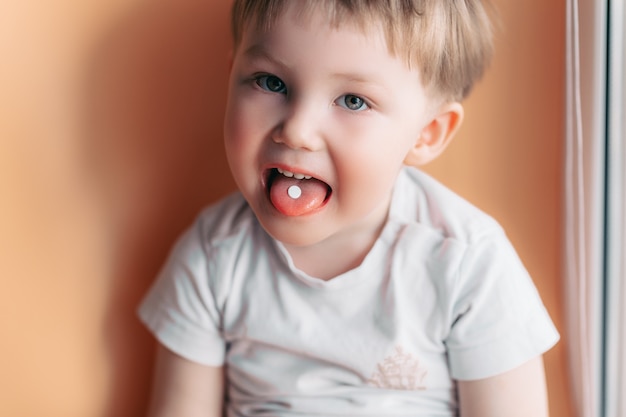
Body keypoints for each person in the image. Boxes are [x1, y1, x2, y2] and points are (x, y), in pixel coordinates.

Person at [139, 1, 560, 416]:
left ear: (426, 134)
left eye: (354, 101)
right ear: (232, 77)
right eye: (270, 82)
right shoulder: (213, 257)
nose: (298, 131)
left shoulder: (468, 265)